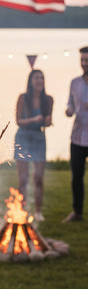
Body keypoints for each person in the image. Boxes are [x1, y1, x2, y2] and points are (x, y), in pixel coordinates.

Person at [14, 69, 53, 222]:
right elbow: (18, 121)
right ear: (30, 81)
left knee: (38, 177)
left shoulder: (48, 99)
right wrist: (33, 120)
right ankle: (22, 210)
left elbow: (48, 120)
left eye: (42, 78)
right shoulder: (23, 98)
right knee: (23, 178)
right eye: (36, 78)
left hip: (39, 137)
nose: (39, 81)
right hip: (23, 136)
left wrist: (47, 121)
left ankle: (37, 212)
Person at [63, 46, 88, 222]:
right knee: (76, 178)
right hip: (78, 137)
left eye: (87, 60)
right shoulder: (74, 82)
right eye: (82, 60)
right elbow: (69, 105)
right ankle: (77, 212)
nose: (84, 63)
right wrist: (69, 110)